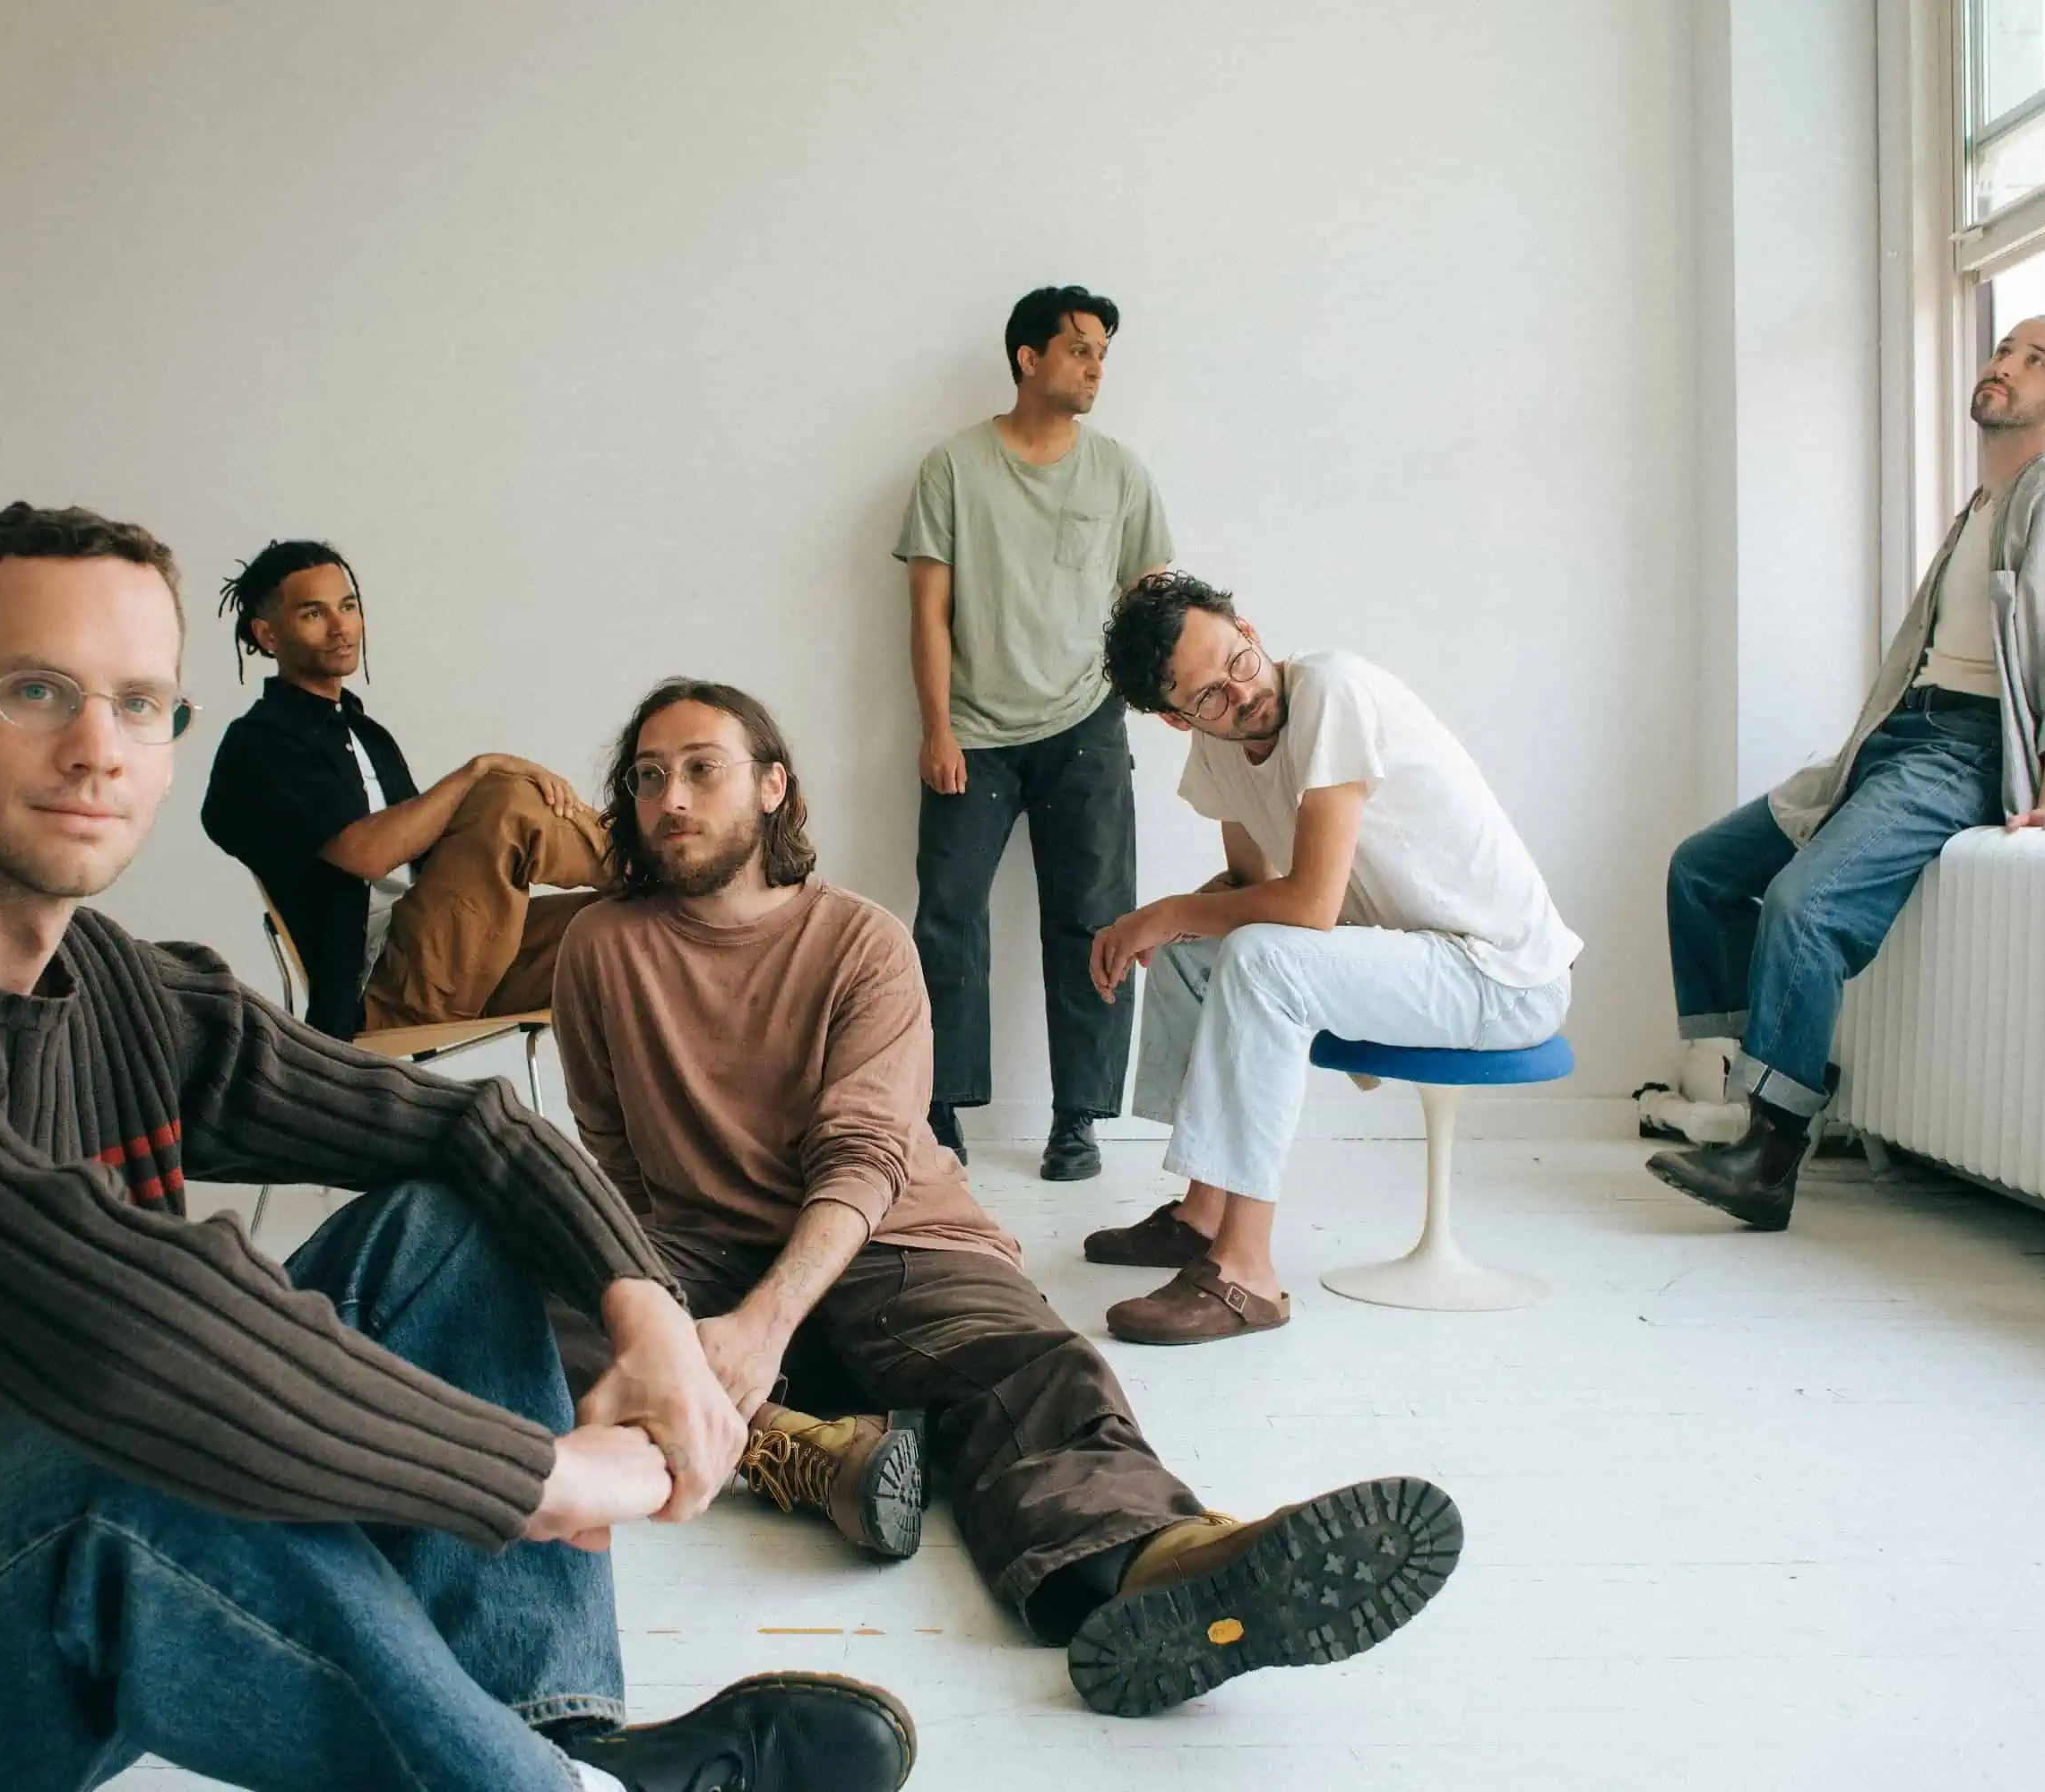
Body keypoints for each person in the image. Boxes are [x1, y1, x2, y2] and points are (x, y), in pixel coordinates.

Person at [0, 504, 913, 1792]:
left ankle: (549, 1734)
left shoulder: (119, 990)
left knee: (450, 1227)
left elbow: (468, 1123)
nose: (97, 747)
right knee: (125, 1437)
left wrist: (647, 1311)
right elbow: (124, 1325)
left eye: (139, 703)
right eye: (36, 691)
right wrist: (537, 1475)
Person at [546, 677, 1464, 1719]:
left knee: (1032, 1369)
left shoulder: (862, 941)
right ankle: (794, 1444)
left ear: (771, 785)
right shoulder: (599, 946)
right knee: (515, 1306)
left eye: (701, 768)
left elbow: (864, 1156)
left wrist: (761, 1325)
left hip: (896, 1237)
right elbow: (611, 1151)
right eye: (649, 776)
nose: (670, 798)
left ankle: (1163, 1563)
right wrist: (656, 1300)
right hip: (706, 1248)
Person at [1652, 316, 2045, 1230]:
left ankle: (1769, 1154)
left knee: (1804, 905)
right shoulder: (1979, 506)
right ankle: (1759, 1084)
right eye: (2005, 349)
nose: (2005, 365)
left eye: (2036, 362)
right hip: (1889, 737)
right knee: (1702, 870)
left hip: (1961, 748)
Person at [1089, 573, 1582, 1345]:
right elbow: (1251, 888)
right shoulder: (1221, 751)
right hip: (1411, 959)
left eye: (1238, 660)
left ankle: (1246, 1276)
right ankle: (1202, 1214)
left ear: (1249, 629)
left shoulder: (1333, 690)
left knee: (1257, 958)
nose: (1240, 693)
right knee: (1193, 955)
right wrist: (1160, 927)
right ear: (1177, 719)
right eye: (1208, 696)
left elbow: (1310, 905)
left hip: (1501, 975)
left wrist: (1169, 912)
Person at [895, 284, 1174, 1180]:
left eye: (1102, 356)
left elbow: (1150, 603)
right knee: (947, 919)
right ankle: (939, 1108)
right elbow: (928, 614)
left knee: (1094, 921)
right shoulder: (952, 467)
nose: (1096, 369)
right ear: (1029, 357)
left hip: (1086, 725)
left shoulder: (1120, 473)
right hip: (972, 734)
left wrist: (1154, 698)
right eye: (1080, 349)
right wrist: (937, 729)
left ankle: (1078, 1117)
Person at [203, 538, 608, 1040]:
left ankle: (665, 872)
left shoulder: (365, 734)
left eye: (348, 606)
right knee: (506, 800)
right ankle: (646, 859)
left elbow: (437, 853)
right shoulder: (259, 744)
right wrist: (479, 771)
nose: (341, 626)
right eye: (313, 613)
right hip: (383, 990)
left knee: (626, 923)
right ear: (267, 635)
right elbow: (366, 855)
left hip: (451, 956)